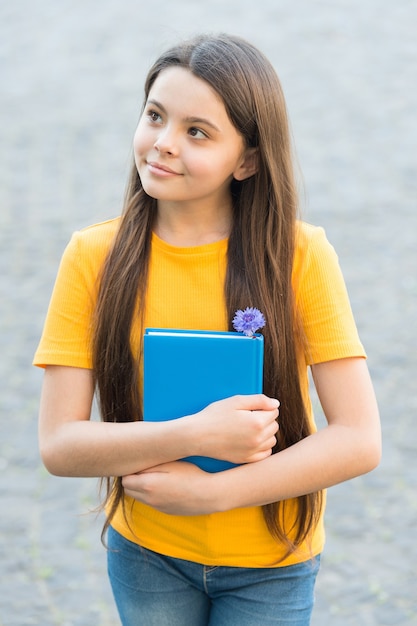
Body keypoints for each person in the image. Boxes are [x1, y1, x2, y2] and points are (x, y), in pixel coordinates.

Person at [33, 33, 381, 626]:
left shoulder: (299, 256)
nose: (163, 144)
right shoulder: (94, 256)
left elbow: (358, 438)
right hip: (146, 554)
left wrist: (217, 494)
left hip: (272, 562)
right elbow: (59, 446)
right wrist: (195, 433)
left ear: (247, 160)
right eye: (155, 116)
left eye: (197, 131)